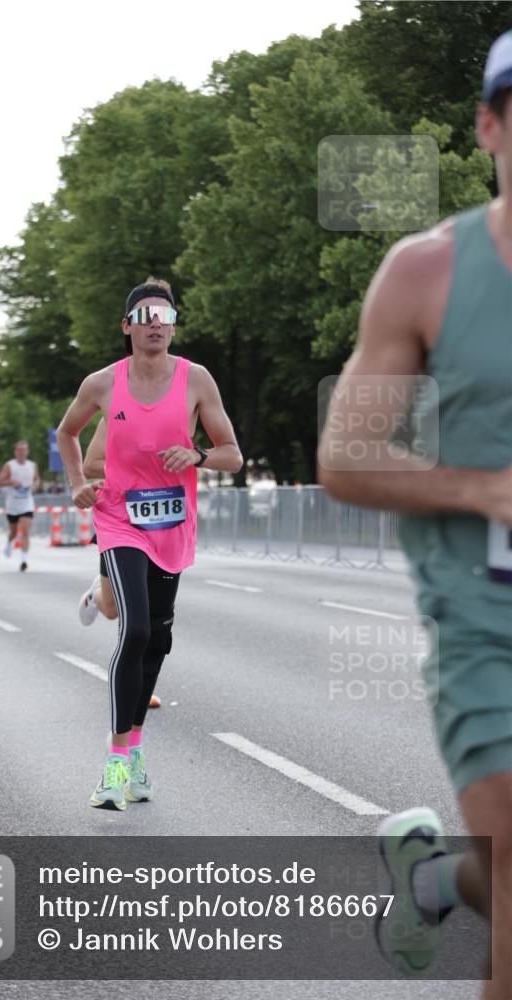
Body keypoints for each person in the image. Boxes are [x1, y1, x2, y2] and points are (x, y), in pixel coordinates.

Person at [318, 31, 512, 999]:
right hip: (488, 615)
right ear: (489, 128)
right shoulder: (426, 272)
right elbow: (342, 456)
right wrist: (479, 488)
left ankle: (435, 874)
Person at [57, 276, 242, 810]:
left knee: (159, 638)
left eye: (164, 314)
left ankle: (136, 748)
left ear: (174, 324)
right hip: (119, 518)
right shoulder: (102, 383)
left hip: (172, 522)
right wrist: (78, 485)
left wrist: (200, 457)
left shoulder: (196, 379)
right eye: (145, 316)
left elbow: (232, 452)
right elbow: (67, 432)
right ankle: (114, 765)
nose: (155, 323)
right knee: (134, 628)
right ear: (128, 327)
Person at [78, 418, 162, 710]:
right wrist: (138, 464)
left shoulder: (178, 411)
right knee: (114, 610)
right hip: (118, 520)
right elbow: (90, 465)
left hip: (160, 518)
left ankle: (140, 685)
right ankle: (95, 596)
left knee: (150, 614)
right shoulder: (115, 414)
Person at [0, 440, 40, 572]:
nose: (22, 453)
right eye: (19, 450)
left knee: (25, 530)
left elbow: (37, 479)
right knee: (14, 531)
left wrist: (35, 485)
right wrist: (11, 482)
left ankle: (24, 560)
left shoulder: (32, 465)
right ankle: (9, 543)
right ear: (15, 452)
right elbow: (0, 482)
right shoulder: (10, 465)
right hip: (13, 504)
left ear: (27, 452)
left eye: (24, 450)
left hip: (27, 503)